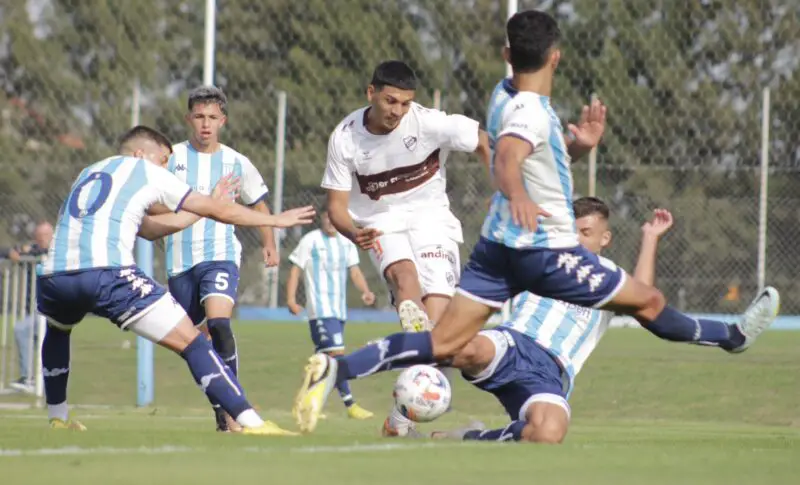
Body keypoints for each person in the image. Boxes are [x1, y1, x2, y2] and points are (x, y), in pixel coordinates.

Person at [292, 10, 780, 434]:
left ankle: (336, 371)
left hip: (496, 254)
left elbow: (519, 153)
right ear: (556, 57)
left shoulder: (503, 94)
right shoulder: (529, 108)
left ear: (508, 54)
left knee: (442, 343)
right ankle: (731, 337)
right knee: (648, 300)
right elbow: (508, 156)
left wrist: (576, 149)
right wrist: (517, 190)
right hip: (545, 253)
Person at [36, 125, 313, 434]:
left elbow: (150, 229)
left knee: (58, 330)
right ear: (141, 154)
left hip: (53, 277)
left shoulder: (90, 171)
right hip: (108, 274)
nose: (167, 168)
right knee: (194, 342)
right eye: (164, 159)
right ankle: (251, 423)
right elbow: (217, 209)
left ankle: (57, 418)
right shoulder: (146, 170)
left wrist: (205, 205)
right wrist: (275, 220)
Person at [387, 198, 669, 442]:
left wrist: (651, 238)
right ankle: (400, 418)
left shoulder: (608, 279)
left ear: (604, 239)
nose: (577, 238)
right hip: (512, 342)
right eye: (573, 231)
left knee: (548, 432)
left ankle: (468, 437)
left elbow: (643, 298)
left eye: (585, 232)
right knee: (463, 347)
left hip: (552, 372)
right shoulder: (542, 258)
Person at [320, 60, 491, 334]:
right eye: (390, 101)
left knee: (439, 312)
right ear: (370, 93)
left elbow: (483, 140)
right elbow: (337, 207)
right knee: (404, 278)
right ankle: (419, 347)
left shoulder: (428, 123)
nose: (397, 111)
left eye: (405, 103)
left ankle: (422, 361)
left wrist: (503, 189)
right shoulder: (344, 138)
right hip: (379, 221)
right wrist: (353, 233)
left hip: (431, 217)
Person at [165, 86, 279, 432]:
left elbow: (258, 201)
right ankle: (221, 407)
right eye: (199, 117)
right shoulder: (170, 157)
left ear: (223, 121)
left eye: (212, 118)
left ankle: (235, 407)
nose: (205, 124)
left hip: (220, 255)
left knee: (219, 324)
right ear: (189, 119)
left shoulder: (236, 162)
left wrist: (268, 241)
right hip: (179, 262)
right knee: (196, 343)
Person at [286, 210, 375, 420]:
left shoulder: (347, 243)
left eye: (333, 219)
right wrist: (291, 299)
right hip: (320, 310)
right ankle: (351, 405)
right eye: (326, 218)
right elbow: (295, 269)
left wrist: (365, 290)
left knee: (323, 360)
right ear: (322, 220)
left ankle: (304, 403)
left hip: (338, 310)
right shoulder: (311, 240)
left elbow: (354, 270)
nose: (330, 222)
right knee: (336, 357)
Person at [0, 221, 53, 393]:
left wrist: (26, 252)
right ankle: (36, 383)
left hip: (54, 311)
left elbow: (43, 253)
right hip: (37, 311)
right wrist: (13, 252)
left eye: (45, 236)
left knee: (22, 329)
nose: (42, 240)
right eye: (39, 237)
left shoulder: (57, 250)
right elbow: (7, 252)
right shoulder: (33, 251)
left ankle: (28, 379)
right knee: (33, 338)